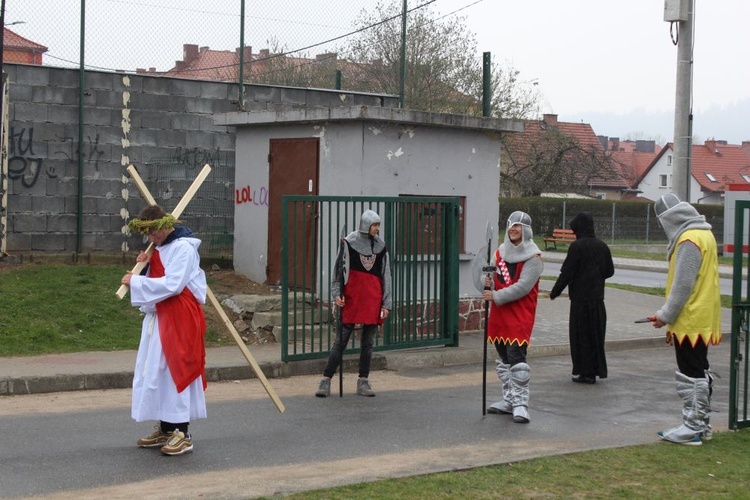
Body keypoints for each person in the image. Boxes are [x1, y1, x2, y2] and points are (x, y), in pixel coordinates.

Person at [121, 205, 208, 456]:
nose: (151, 239)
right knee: (156, 371)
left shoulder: (184, 248)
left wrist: (136, 281)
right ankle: (167, 427)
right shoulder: (158, 249)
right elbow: (159, 278)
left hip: (180, 319)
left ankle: (183, 432)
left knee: (174, 370)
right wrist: (145, 267)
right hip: (161, 318)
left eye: (153, 233)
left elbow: (174, 284)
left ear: (164, 226)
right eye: (147, 235)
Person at [648, 194, 721, 446]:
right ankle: (701, 424)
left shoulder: (688, 240)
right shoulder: (704, 234)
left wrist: (665, 315)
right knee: (699, 369)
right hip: (702, 315)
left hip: (690, 318)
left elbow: (682, 285)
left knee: (690, 373)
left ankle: (692, 427)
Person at [315, 209, 392, 398]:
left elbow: (386, 274)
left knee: (368, 343)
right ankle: (326, 380)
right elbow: (338, 271)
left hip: (373, 299)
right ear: (366, 225)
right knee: (341, 341)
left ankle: (363, 381)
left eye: (379, 225)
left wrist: (386, 303)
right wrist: (336, 294)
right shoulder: (349, 242)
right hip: (351, 298)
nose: (377, 229)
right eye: (375, 225)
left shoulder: (381, 246)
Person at [483, 211, 543, 423]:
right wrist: (487, 281)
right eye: (511, 225)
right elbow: (491, 274)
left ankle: (520, 404)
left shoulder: (533, 258)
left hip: (519, 314)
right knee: (504, 359)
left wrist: (496, 295)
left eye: (518, 226)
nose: (513, 229)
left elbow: (522, 287)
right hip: (499, 314)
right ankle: (508, 400)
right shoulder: (499, 253)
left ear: (525, 230)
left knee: (517, 359)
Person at [549, 212, 614, 384]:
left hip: (580, 301)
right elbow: (610, 271)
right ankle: (594, 371)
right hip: (598, 301)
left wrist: (555, 292)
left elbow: (567, 273)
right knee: (596, 338)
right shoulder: (602, 246)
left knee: (581, 338)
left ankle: (585, 372)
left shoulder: (577, 247)